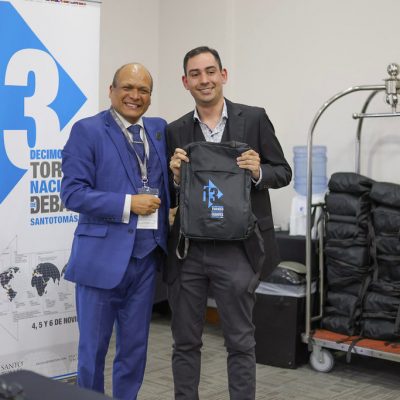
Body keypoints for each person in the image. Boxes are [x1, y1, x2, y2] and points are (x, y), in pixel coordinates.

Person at [166, 46, 292, 400]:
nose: (204, 80)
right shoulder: (176, 130)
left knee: (240, 340)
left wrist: (258, 171)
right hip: (189, 250)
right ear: (185, 82)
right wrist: (175, 177)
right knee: (185, 341)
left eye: (210, 71)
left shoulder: (253, 119)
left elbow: (283, 171)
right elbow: (170, 188)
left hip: (238, 249)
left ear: (223, 75)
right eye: (195, 74)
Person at [61, 63, 170, 400]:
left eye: (143, 90)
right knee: (92, 351)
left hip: (146, 258)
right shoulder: (87, 131)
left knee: (135, 350)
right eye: (127, 87)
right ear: (111, 91)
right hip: (100, 261)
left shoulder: (159, 130)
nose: (135, 96)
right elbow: (72, 194)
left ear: (150, 97)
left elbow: (167, 180)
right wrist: (128, 204)